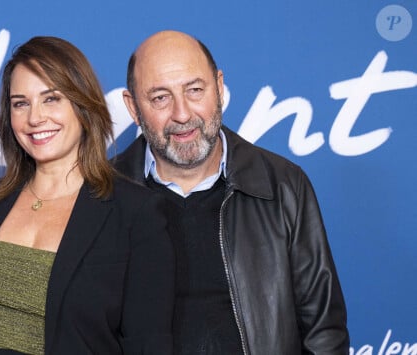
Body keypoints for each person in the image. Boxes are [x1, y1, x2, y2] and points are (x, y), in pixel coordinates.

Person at [0, 36, 175, 355]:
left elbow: (149, 344)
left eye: (51, 99)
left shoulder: (137, 214)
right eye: (20, 103)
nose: (35, 118)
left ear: (83, 105)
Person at [113, 30, 349, 354]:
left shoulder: (283, 186)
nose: (182, 114)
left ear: (219, 86)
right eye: (160, 98)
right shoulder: (101, 195)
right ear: (133, 107)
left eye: (195, 90)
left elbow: (324, 333)